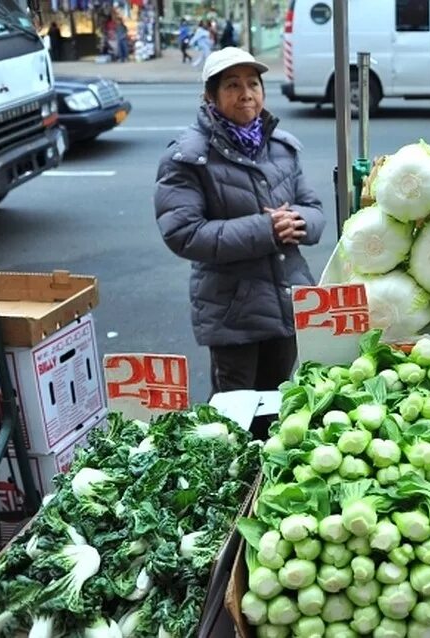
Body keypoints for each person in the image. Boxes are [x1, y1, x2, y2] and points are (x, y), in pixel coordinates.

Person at [154, 47, 326, 396]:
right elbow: (184, 233)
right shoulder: (187, 156)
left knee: (279, 406)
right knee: (235, 417)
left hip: (287, 302)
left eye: (253, 84)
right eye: (232, 85)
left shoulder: (281, 147)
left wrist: (299, 221)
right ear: (210, 96)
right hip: (233, 313)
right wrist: (267, 230)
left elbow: (315, 209)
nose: (246, 94)